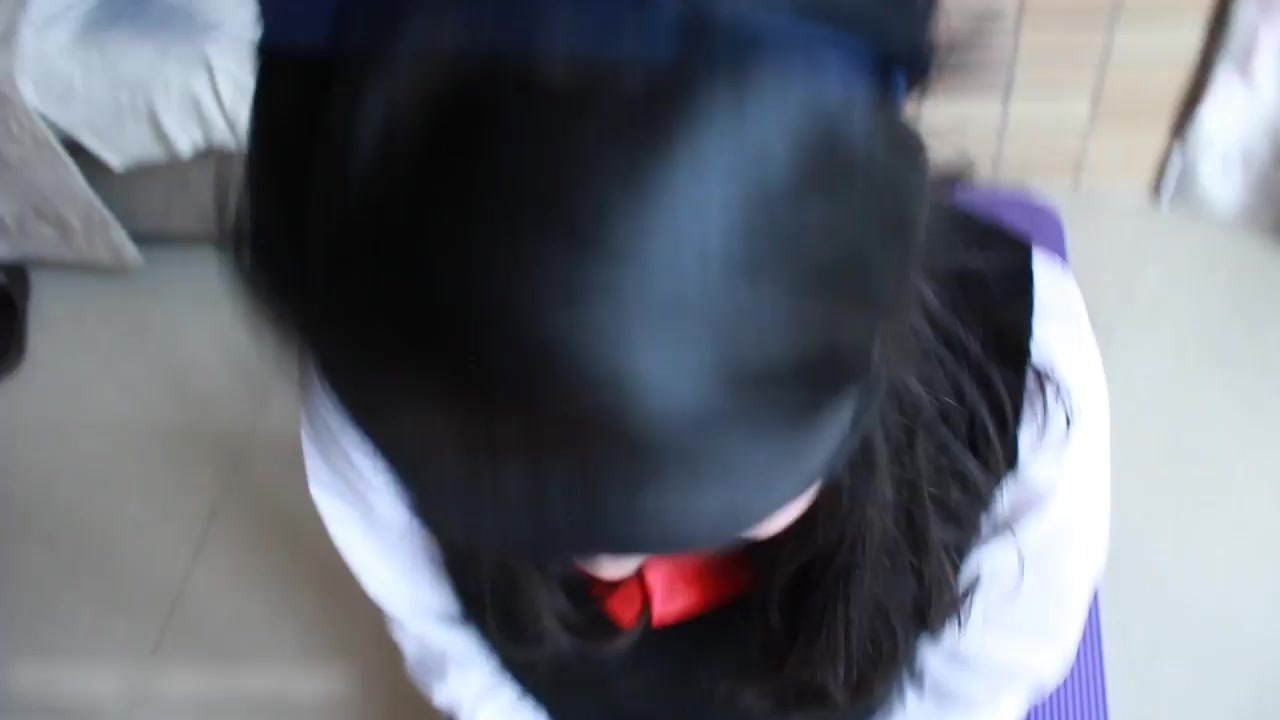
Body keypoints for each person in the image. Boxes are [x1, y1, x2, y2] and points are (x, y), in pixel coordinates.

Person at [238, 0, 1110, 718]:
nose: (605, 567)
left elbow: (976, 685)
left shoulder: (1028, 396)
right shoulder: (378, 392)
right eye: (554, 524)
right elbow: (447, 646)